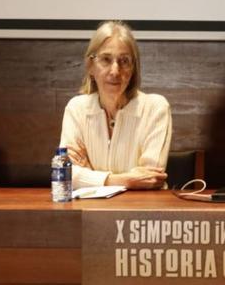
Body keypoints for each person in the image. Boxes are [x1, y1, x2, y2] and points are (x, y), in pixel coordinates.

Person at [59, 21, 171, 189]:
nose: (115, 71)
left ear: (133, 68)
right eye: (105, 59)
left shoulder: (155, 108)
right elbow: (65, 173)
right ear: (90, 66)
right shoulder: (77, 109)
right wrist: (126, 180)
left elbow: (150, 179)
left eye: (124, 61)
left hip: (141, 210)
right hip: (91, 210)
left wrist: (88, 176)